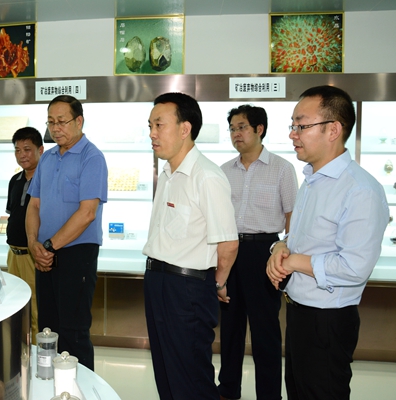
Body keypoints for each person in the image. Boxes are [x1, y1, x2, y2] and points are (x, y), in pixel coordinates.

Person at [267, 85, 389, 399]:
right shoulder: (312, 180)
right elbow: (305, 236)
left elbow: (354, 267)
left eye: (301, 125)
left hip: (327, 322)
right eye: (293, 125)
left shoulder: (360, 190)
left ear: (333, 129)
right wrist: (281, 246)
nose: (293, 134)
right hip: (299, 312)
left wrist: (295, 262)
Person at [142, 92, 239, 400]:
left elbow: (228, 242)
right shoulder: (168, 173)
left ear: (185, 129)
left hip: (187, 290)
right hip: (158, 281)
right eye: (150, 125)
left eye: (159, 125)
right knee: (166, 373)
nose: (152, 133)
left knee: (191, 379)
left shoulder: (207, 176)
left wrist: (216, 283)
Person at [218, 105, 298, 400]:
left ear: (259, 129)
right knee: (230, 327)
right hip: (230, 249)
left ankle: (269, 394)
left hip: (264, 252)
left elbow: (292, 217)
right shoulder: (224, 171)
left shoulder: (281, 168)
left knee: (265, 329)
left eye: (241, 127)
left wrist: (284, 253)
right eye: (232, 129)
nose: (236, 134)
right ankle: (228, 389)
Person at [25, 95, 108, 371]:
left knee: (74, 331)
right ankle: (50, 383)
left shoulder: (92, 157)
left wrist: (48, 246)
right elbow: (34, 205)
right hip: (44, 255)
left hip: (76, 255)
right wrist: (33, 244)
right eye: (51, 122)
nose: (55, 128)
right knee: (48, 328)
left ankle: (79, 387)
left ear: (79, 121)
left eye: (62, 121)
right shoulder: (47, 158)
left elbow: (87, 213)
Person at [6, 126, 44, 345]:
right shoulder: (15, 180)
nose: (22, 155)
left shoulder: (46, 180)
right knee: (15, 304)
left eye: (27, 149)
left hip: (33, 255)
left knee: (35, 308)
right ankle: (18, 351)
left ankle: (38, 353)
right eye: (17, 150)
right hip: (13, 254)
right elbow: (12, 214)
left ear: (41, 150)